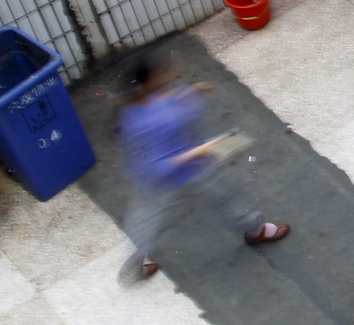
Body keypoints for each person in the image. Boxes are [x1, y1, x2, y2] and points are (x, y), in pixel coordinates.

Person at [116, 53, 288, 281]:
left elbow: (164, 104)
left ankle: (134, 266)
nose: (165, 75)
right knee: (227, 196)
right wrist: (206, 149)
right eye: (158, 73)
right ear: (146, 83)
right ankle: (256, 231)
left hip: (154, 184)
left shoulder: (134, 111)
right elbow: (160, 165)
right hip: (188, 172)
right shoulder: (146, 121)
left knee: (146, 221)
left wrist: (190, 91)